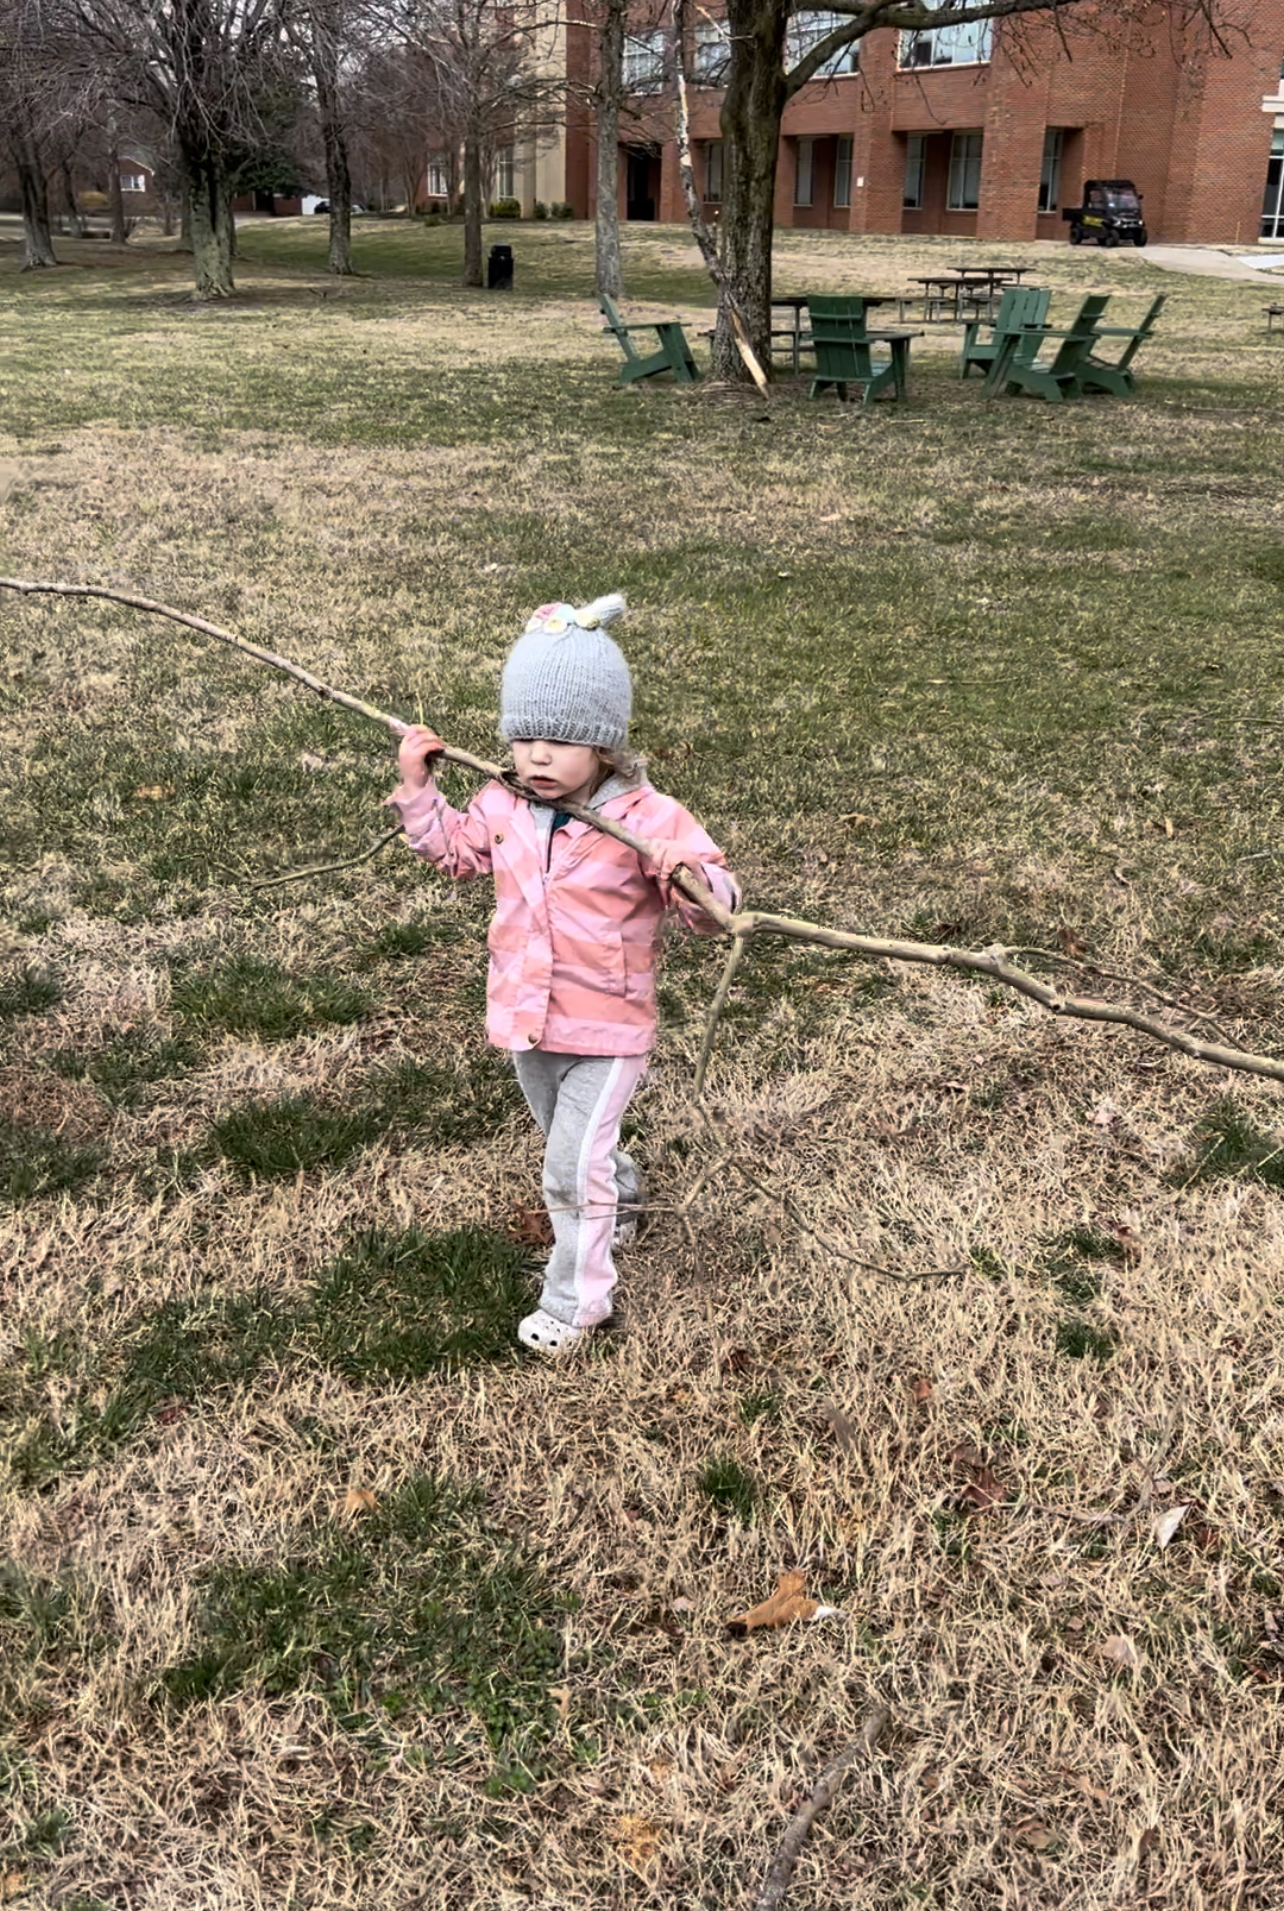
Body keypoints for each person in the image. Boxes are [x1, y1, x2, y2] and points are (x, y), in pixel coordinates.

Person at [387, 594, 741, 1354]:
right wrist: (420, 792)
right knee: (576, 1147)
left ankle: (578, 1302)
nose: (537, 757)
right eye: (525, 739)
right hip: (528, 1018)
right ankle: (626, 1194)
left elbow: (717, 912)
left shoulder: (649, 819)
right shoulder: (503, 802)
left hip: (608, 1028)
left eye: (560, 741)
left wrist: (690, 880)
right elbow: (455, 852)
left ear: (605, 744)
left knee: (568, 1171)